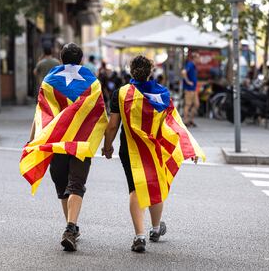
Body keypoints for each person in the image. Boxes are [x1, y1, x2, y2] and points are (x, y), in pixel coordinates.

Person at [102, 55, 205, 253]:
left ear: (131, 71)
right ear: (150, 72)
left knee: (135, 188)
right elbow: (175, 124)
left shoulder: (121, 93)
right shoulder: (163, 94)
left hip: (130, 149)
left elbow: (113, 125)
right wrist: (188, 146)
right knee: (154, 184)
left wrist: (107, 147)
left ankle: (139, 235)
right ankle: (156, 229)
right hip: (154, 148)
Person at [20, 43, 108, 252]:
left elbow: (41, 113)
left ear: (61, 59)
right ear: (81, 60)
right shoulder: (92, 82)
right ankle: (71, 227)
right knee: (76, 184)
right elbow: (99, 113)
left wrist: (32, 140)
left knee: (62, 187)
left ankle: (70, 227)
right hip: (81, 143)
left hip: (56, 142)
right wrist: (106, 143)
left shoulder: (49, 81)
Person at [182, 52, 200, 127]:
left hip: (193, 89)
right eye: (198, 58)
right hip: (189, 89)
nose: (199, 59)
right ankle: (185, 121)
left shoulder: (194, 66)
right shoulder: (190, 64)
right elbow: (183, 72)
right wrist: (188, 81)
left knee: (196, 104)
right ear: (194, 58)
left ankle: (191, 120)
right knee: (188, 105)